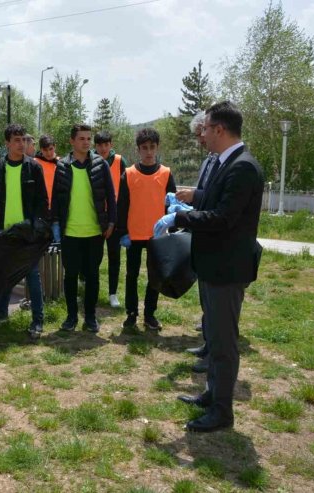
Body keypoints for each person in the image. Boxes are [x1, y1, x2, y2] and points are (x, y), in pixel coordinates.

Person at [160, 101, 264, 432]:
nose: (202, 133)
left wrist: (178, 216)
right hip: (213, 265)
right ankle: (212, 394)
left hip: (226, 269)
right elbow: (213, 199)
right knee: (215, 339)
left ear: (219, 130)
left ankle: (222, 411)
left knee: (223, 343)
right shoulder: (225, 162)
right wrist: (190, 200)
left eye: (205, 128)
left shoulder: (242, 167)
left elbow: (223, 218)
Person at [51, 124, 116, 333]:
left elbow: (110, 196)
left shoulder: (100, 164)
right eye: (82, 138)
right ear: (72, 141)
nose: (86, 142)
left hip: (94, 232)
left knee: (92, 276)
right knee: (70, 276)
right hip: (70, 232)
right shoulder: (62, 166)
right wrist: (55, 226)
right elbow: (56, 200)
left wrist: (111, 222)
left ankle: (90, 317)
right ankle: (71, 317)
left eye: (89, 138)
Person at [0, 124, 48, 339]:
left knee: (32, 275)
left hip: (27, 233)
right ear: (7, 143)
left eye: (24, 140)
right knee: (5, 273)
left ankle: (38, 320)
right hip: (3, 233)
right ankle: (2, 314)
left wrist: (37, 227)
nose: (22, 144)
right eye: (17, 140)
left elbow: (42, 202)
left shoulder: (34, 168)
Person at [117, 128, 176, 332]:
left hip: (157, 235)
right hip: (133, 234)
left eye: (152, 147)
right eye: (144, 148)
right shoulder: (129, 174)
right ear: (138, 150)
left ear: (157, 147)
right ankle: (131, 313)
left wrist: (173, 230)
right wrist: (122, 231)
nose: (149, 151)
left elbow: (173, 206)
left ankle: (150, 314)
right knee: (131, 275)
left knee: (155, 276)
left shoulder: (166, 174)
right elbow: (122, 205)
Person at [177, 111, 216, 373]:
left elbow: (216, 198)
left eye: (201, 133)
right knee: (206, 300)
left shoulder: (231, 164)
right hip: (204, 238)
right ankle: (207, 344)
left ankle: (214, 353)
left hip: (217, 239)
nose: (200, 140)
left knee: (217, 305)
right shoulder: (209, 161)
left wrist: (195, 196)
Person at [94, 130, 129, 308]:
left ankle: (113, 293)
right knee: (94, 256)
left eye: (106, 144)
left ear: (111, 145)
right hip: (95, 215)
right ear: (95, 146)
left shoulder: (119, 161)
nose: (103, 148)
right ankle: (87, 285)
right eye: (99, 145)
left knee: (114, 256)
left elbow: (126, 187)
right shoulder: (90, 162)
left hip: (114, 216)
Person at [34, 135, 60, 210]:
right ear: (41, 149)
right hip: (40, 207)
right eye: (45, 150)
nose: (48, 153)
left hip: (57, 207)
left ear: (55, 147)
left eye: (51, 149)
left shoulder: (61, 163)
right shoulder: (35, 163)